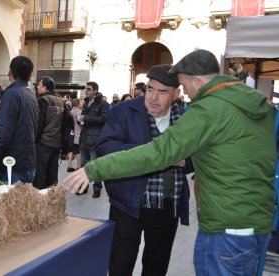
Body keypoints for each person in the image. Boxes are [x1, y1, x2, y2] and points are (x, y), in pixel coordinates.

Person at [64, 49, 275, 276]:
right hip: (256, 221)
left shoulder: (204, 111)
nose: (188, 93)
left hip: (220, 223)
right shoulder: (256, 106)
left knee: (157, 264)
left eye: (181, 87)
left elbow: (159, 154)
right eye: (150, 89)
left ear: (189, 85)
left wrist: (94, 170)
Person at [96, 64, 192, 276]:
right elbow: (105, 148)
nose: (153, 97)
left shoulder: (187, 119)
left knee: (157, 266)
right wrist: (153, 154)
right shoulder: (123, 112)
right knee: (120, 265)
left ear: (176, 93)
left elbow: (197, 157)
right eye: (150, 89)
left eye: (162, 91)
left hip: (168, 205)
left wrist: (185, 161)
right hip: (128, 202)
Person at [0, 56, 38, 183]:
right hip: (28, 163)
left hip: (12, 166)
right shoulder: (31, 95)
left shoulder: (11, 94)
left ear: (10, 73)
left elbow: (3, 133)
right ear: (30, 76)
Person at [76, 81, 109, 198]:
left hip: (95, 140)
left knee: (95, 166)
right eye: (85, 89)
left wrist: (86, 118)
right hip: (84, 138)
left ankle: (97, 189)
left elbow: (104, 119)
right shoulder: (85, 103)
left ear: (95, 91)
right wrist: (80, 119)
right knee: (83, 166)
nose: (86, 91)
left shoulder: (103, 104)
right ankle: (83, 187)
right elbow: (84, 118)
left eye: (89, 89)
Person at [33, 76, 64, 190]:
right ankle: (52, 199)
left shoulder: (43, 100)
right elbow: (65, 124)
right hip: (56, 143)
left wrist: (35, 141)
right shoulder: (61, 101)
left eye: (39, 85)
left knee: (40, 174)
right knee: (52, 174)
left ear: (45, 88)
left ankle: (41, 201)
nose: (37, 87)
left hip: (43, 143)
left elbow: (38, 124)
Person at [66, 98, 83, 172]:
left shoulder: (70, 111)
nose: (83, 103)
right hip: (77, 134)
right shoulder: (79, 112)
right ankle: (79, 167)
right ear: (78, 104)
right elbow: (81, 123)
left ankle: (69, 166)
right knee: (78, 151)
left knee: (71, 149)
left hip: (70, 134)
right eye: (81, 102)